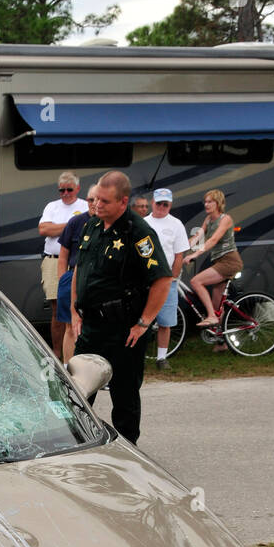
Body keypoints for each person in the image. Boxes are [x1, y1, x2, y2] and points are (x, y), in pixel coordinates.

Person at [70, 170, 172, 443]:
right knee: (77, 391)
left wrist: (144, 323)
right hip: (91, 326)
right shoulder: (91, 225)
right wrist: (74, 311)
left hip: (124, 329)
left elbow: (162, 279)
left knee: (124, 395)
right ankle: (75, 446)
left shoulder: (138, 232)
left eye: (104, 201)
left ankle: (128, 452)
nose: (97, 205)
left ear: (122, 202)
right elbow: (80, 269)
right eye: (95, 200)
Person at [183, 189, 241, 336]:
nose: (206, 204)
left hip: (229, 261)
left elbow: (213, 240)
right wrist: (178, 249)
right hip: (219, 261)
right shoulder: (208, 219)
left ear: (218, 203)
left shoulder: (225, 219)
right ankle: (221, 340)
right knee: (216, 306)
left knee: (196, 282)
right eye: (206, 201)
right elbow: (197, 237)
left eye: (210, 202)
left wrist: (195, 254)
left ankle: (211, 317)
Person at [144, 187, 191, 369]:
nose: (162, 207)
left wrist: (173, 276)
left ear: (170, 205)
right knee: (143, 318)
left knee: (166, 321)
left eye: (166, 204)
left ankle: (161, 358)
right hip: (146, 278)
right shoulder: (144, 223)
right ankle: (138, 354)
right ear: (152, 203)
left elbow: (179, 253)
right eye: (159, 203)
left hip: (166, 279)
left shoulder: (176, 224)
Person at [38, 173, 88, 334]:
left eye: (69, 189)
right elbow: (43, 229)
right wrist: (73, 225)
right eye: (62, 190)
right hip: (53, 261)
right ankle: (57, 354)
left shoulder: (86, 206)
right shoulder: (52, 206)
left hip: (79, 262)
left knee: (81, 306)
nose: (65, 193)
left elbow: (50, 229)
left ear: (78, 188)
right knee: (58, 309)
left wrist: (56, 228)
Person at [55, 184, 98, 363]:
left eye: (99, 199)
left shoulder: (110, 224)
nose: (94, 203)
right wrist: (63, 280)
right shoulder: (76, 222)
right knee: (71, 328)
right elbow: (63, 255)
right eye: (91, 199)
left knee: (95, 328)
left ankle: (95, 371)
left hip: (97, 282)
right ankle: (68, 370)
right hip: (72, 278)